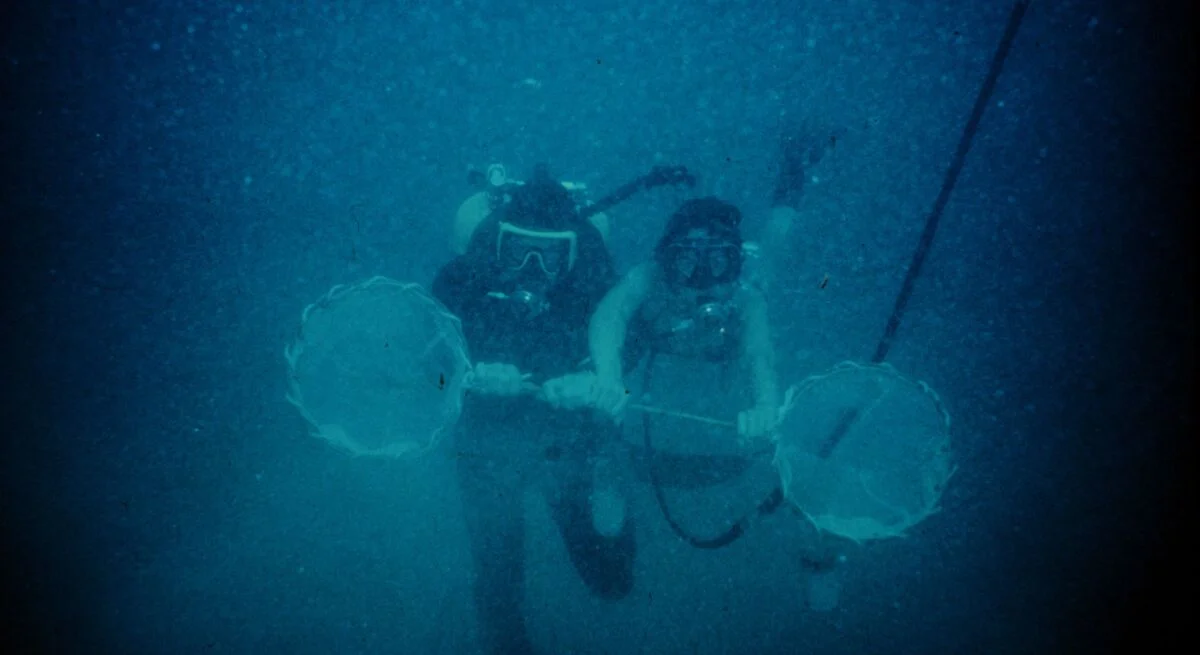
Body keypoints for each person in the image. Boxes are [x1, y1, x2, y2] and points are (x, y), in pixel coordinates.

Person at [431, 165, 634, 655]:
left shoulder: (592, 275)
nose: (533, 268)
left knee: (612, 580)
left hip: (563, 441)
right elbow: (429, 365)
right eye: (519, 250)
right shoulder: (463, 278)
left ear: (572, 249)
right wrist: (470, 372)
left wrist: (595, 378)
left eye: (550, 254)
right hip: (484, 443)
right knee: (498, 579)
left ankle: (612, 490)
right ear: (497, 242)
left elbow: (629, 339)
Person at [586, 196, 781, 445]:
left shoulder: (747, 299)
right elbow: (610, 315)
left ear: (734, 264)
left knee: (774, 248)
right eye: (687, 260)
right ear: (668, 261)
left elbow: (759, 354)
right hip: (650, 349)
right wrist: (609, 376)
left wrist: (766, 405)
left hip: (723, 367)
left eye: (717, 261)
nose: (702, 278)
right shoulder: (649, 277)